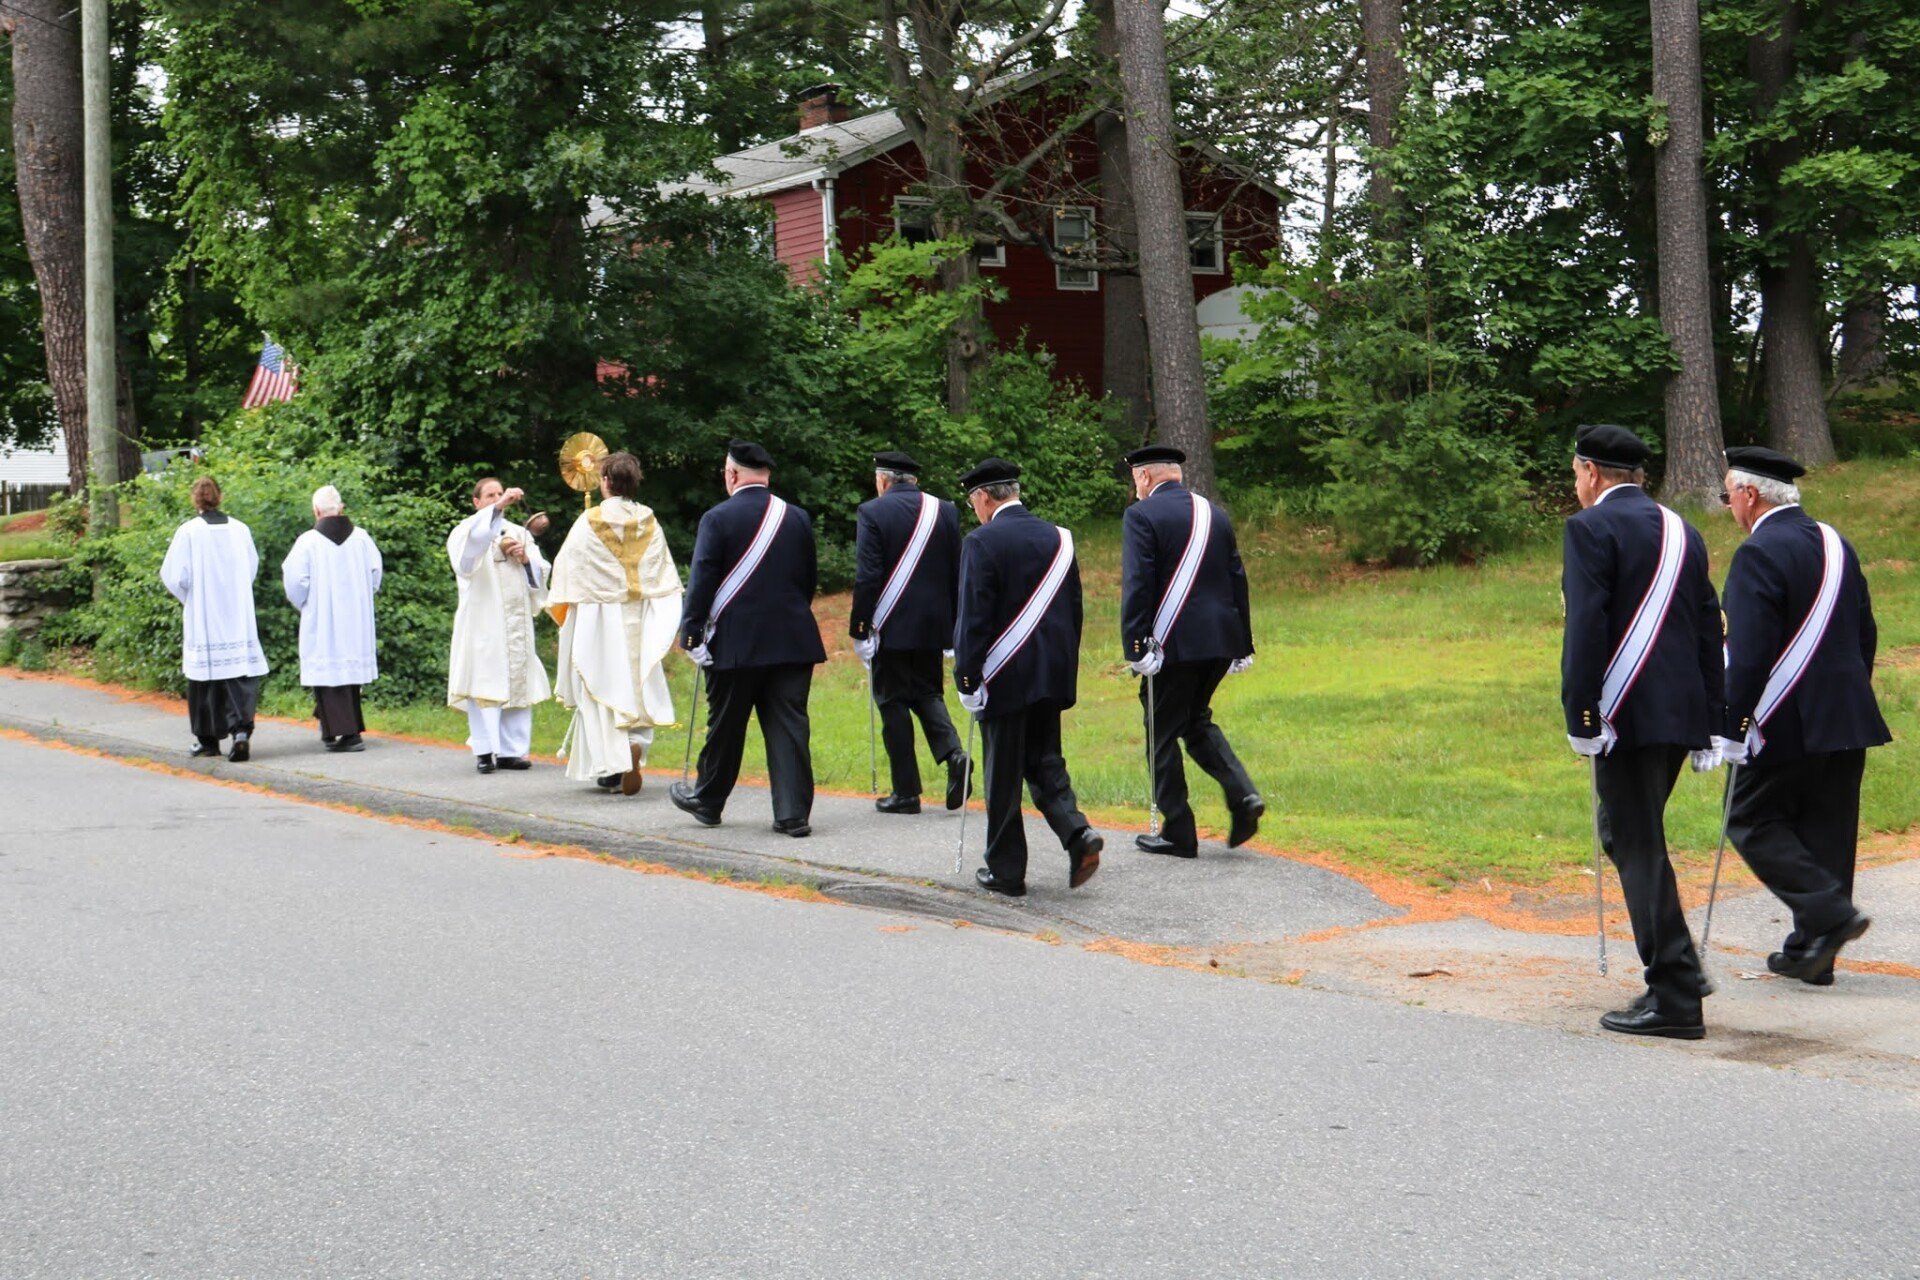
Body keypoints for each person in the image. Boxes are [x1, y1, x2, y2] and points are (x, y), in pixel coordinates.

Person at [1561, 424, 1723, 1040]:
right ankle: (1681, 967)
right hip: (1679, 713)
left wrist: (1581, 715)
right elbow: (1710, 625)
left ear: (1591, 472)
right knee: (1630, 835)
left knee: (1636, 843)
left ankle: (1676, 994)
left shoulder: (1589, 528)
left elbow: (1586, 627)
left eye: (1576, 473)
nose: (1576, 484)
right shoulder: (1684, 530)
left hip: (1625, 714)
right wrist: (1712, 719)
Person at [1716, 445, 1889, 985]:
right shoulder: (1837, 543)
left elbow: (1746, 654)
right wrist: (1848, 692)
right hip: (1847, 713)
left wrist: (1732, 723)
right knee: (1827, 829)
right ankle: (1813, 954)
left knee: (1749, 819)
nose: (1727, 506)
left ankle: (1829, 915)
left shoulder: (1758, 552)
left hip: (1786, 717)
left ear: (1750, 495)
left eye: (1727, 495)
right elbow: (1865, 631)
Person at [952, 457, 1102, 896]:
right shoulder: (1060, 537)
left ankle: (1007, 870)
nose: (974, 509)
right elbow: (1074, 610)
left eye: (973, 500)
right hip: (1050, 671)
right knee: (1045, 761)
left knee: (1002, 775)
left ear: (983, 497)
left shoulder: (980, 542)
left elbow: (973, 618)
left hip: (1004, 675)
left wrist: (967, 679)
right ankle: (1078, 833)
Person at [669, 440, 826, 836]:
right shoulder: (797, 517)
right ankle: (792, 814)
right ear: (766, 475)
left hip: (735, 640)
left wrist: (692, 633)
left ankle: (709, 802)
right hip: (792, 639)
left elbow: (702, 578)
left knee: (726, 725)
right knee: (790, 727)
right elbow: (808, 580)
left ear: (732, 474)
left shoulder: (717, 518)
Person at [1119, 444, 1262, 858]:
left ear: (1144, 476)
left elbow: (1138, 584)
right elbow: (1237, 577)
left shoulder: (1141, 515)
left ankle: (1179, 831)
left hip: (1174, 644)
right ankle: (1244, 795)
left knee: (1160, 731)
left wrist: (1135, 646)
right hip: (1219, 639)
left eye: (1135, 478)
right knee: (1195, 721)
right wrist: (1242, 642)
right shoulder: (1214, 513)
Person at [547, 451, 683, 795]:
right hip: (638, 616)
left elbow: (567, 568)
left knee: (600, 683)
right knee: (637, 683)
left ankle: (613, 765)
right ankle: (636, 743)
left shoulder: (590, 520)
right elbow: (662, 572)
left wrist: (565, 607)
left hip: (599, 617)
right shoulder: (649, 519)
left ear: (605, 481)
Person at [849, 450, 969, 814]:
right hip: (933, 624)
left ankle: (906, 792)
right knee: (928, 693)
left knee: (893, 703)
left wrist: (860, 627)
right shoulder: (944, 510)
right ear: (914, 480)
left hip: (892, 625)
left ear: (883, 480)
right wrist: (954, 627)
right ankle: (954, 754)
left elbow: (868, 576)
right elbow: (956, 572)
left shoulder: (872, 512)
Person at [159, 475, 269, 761]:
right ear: (220, 497)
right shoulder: (240, 530)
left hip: (205, 613)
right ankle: (240, 732)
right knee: (238, 673)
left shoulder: (188, 532)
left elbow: (174, 576)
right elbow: (251, 567)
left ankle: (207, 741)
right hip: (237, 612)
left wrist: (190, 599)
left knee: (205, 679)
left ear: (195, 500)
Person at [447, 477, 553, 774]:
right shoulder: (467, 531)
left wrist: (526, 560)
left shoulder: (519, 532)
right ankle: (485, 750)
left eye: (499, 494)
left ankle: (512, 751)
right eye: (490, 496)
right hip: (483, 622)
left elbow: (541, 572)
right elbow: (466, 563)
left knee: (517, 682)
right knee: (485, 683)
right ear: (476, 502)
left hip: (516, 623)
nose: (497, 499)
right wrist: (498, 510)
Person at [282, 485, 383, 752]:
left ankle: (348, 734)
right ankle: (332, 728)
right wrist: (361, 598)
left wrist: (305, 604)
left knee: (328, 674)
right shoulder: (362, 539)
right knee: (347, 676)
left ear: (316, 511)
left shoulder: (307, 542)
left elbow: (295, 582)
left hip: (323, 618)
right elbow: (375, 575)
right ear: (341, 508)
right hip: (356, 619)